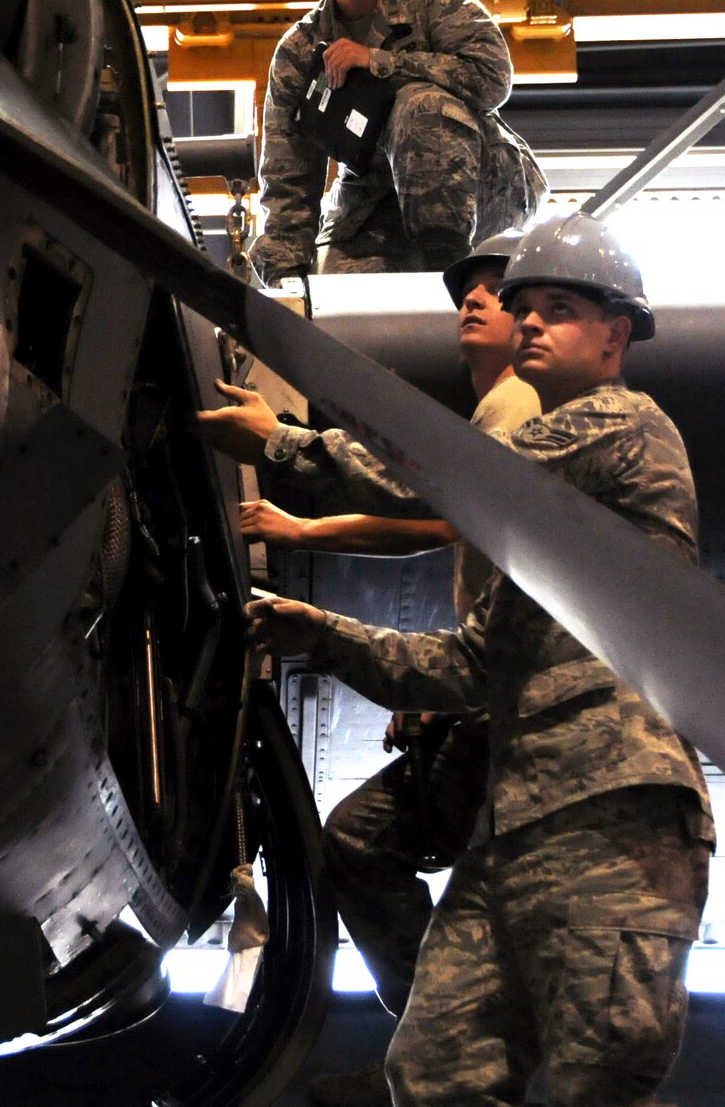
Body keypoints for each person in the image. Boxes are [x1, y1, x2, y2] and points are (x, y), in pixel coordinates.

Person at [244, 213, 710, 1107]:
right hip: (515, 827)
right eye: (523, 305)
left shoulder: (621, 428)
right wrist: (319, 631)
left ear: (617, 335)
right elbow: (468, 665)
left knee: (597, 1076)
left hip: (617, 816)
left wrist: (282, 443)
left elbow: (450, 471)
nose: (527, 320)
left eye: (559, 308)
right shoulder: (535, 533)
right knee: (431, 1075)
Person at [203, 235, 541, 1107]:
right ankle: (436, 1061)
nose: (475, 300)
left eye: (499, 293)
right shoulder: (501, 413)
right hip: (480, 702)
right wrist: (306, 532)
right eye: (467, 289)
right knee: (361, 838)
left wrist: (281, 439)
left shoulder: (519, 405)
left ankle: (451, 1069)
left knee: (400, 861)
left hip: (512, 720)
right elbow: (443, 524)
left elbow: (430, 493)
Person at [249, 0, 544, 282]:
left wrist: (380, 62)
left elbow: (493, 78)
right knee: (341, 306)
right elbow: (287, 183)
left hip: (482, 185)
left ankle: (447, 277)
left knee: (419, 104)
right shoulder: (301, 51)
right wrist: (285, 289)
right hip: (377, 203)